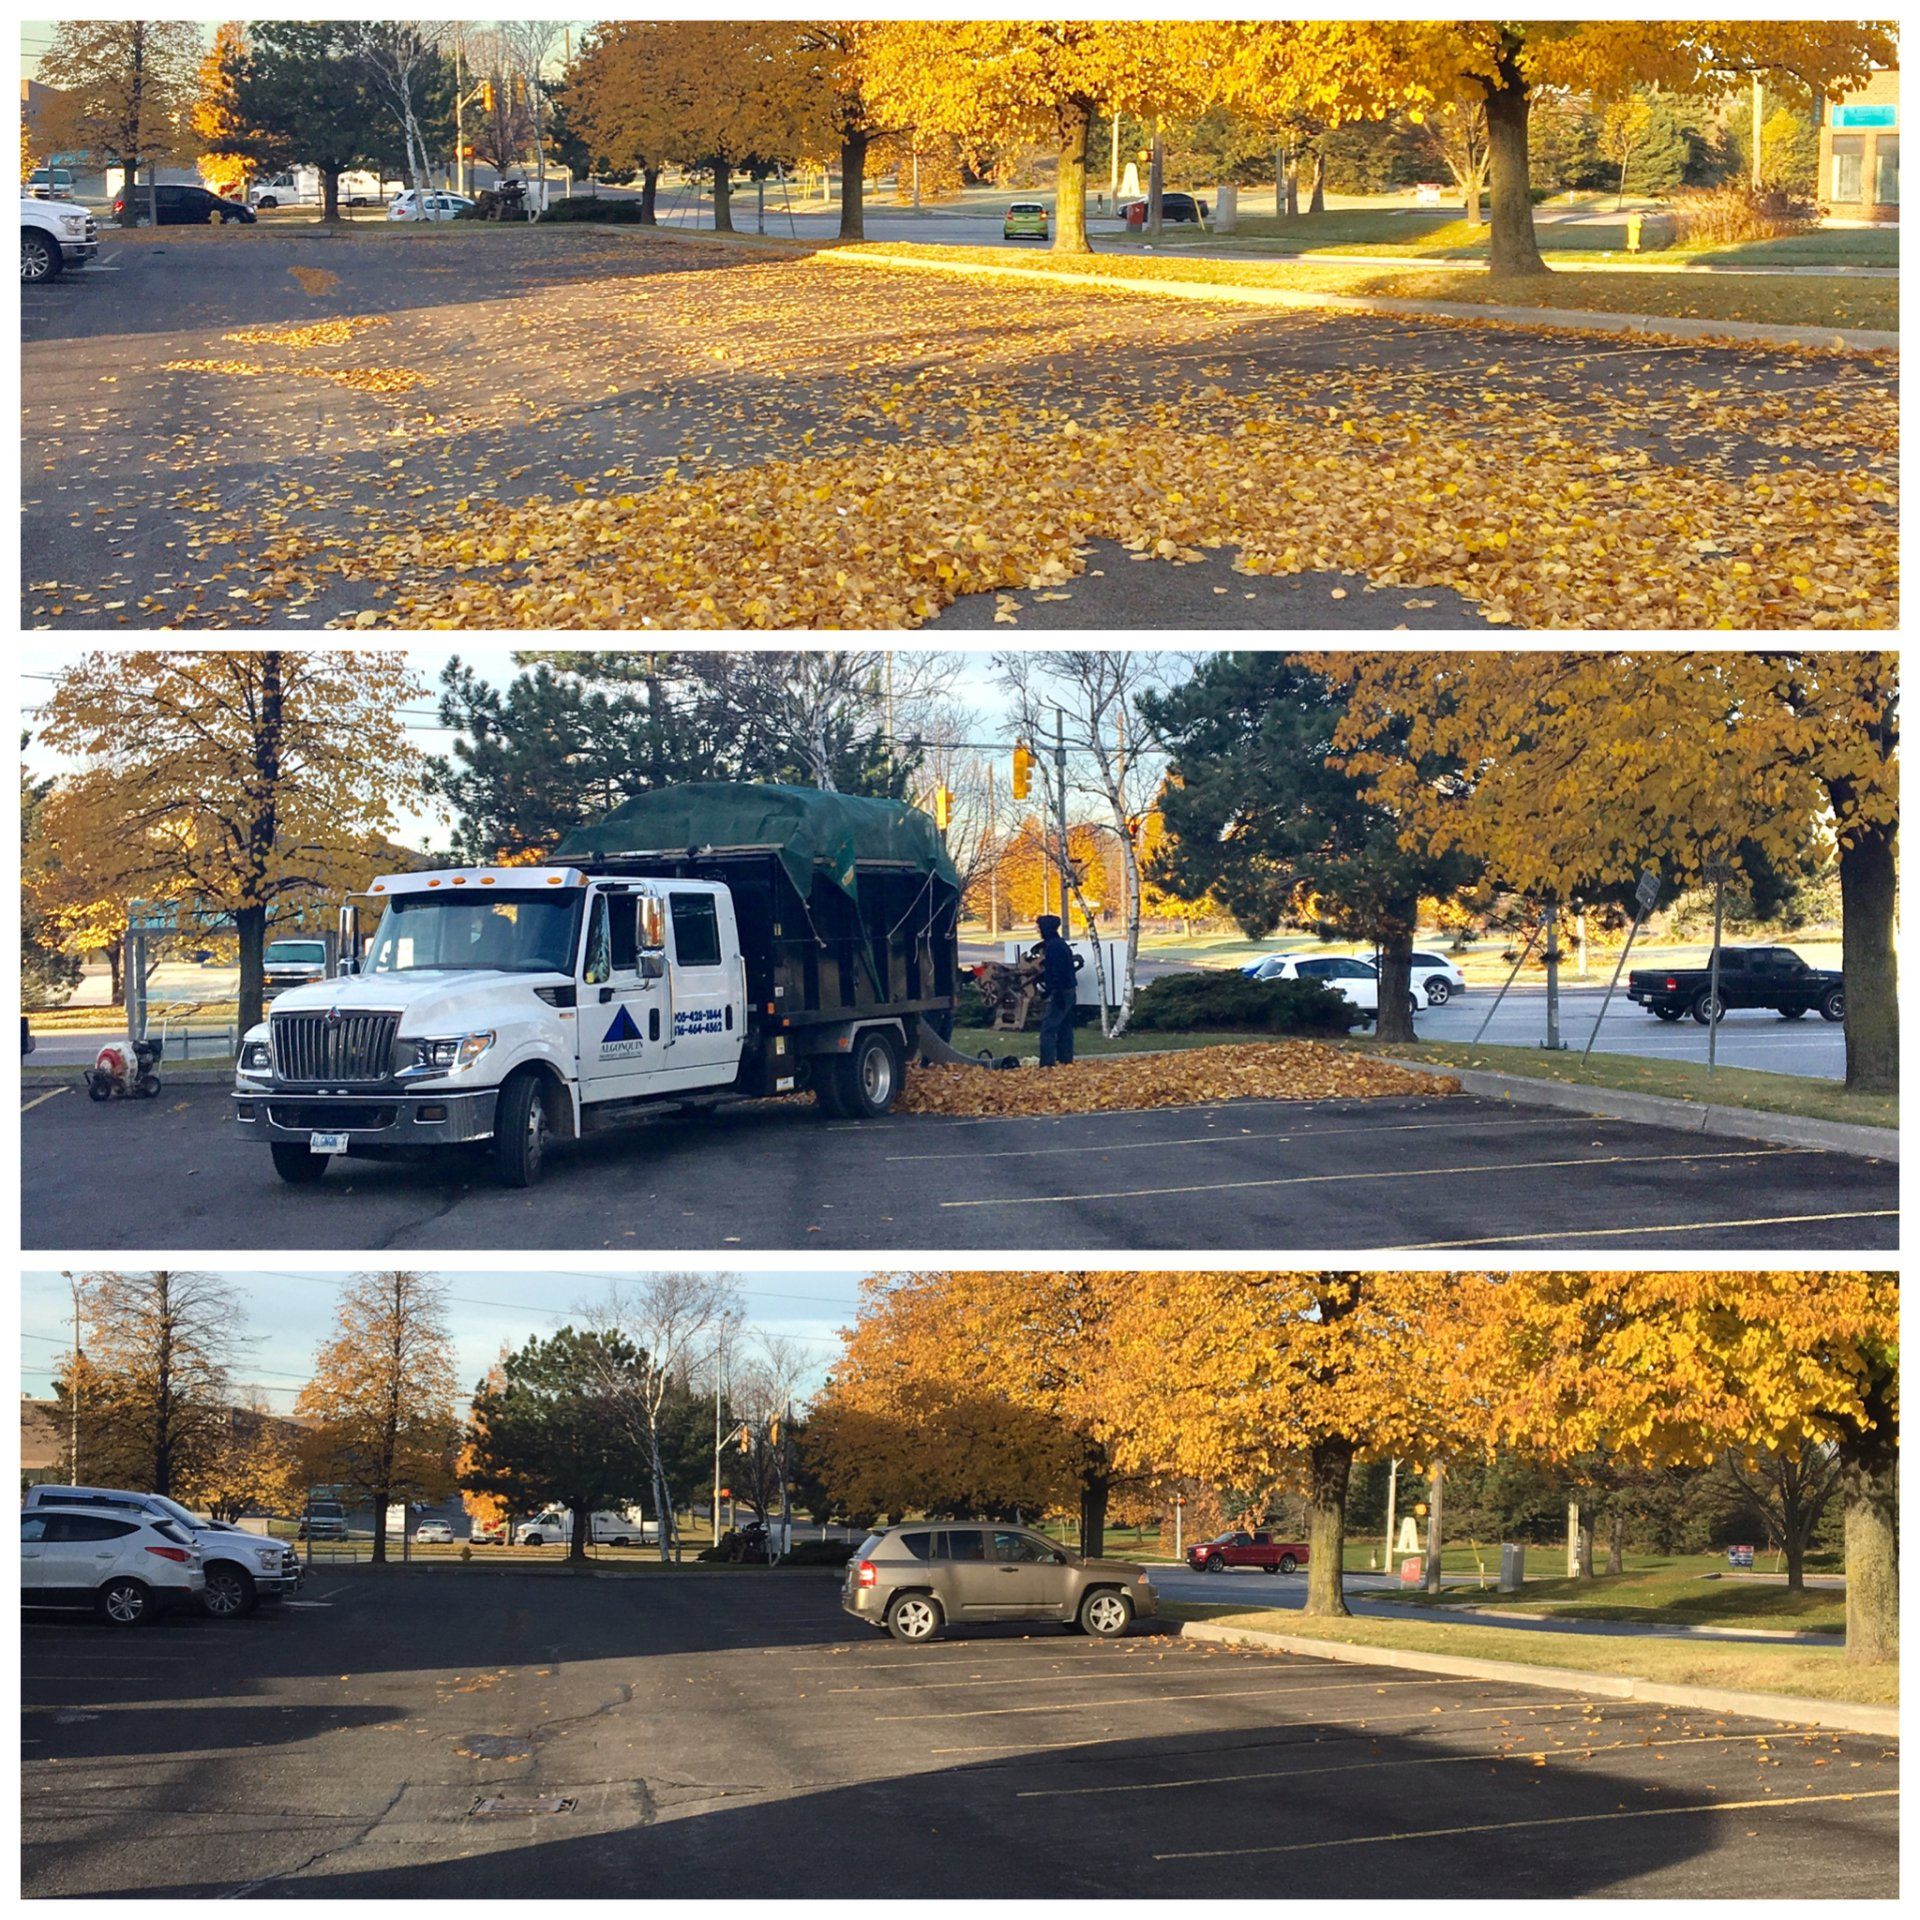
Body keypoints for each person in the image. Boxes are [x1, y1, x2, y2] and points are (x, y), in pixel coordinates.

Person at [1035, 914, 1081, 1068]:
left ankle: (1047, 1063)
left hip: (1060, 991)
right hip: (1069, 990)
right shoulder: (1060, 944)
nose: (1038, 930)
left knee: (1048, 1029)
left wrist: (1051, 991)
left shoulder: (1053, 947)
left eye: (1040, 927)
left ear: (1045, 928)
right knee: (1065, 1027)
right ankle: (1065, 1060)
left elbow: (1056, 972)